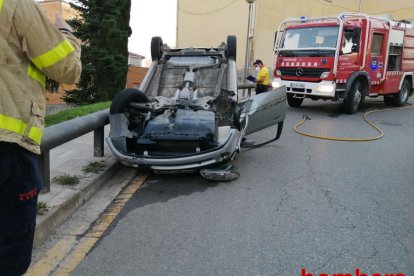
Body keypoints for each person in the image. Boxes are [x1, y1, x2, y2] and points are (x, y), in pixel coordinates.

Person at [0, 1, 81, 275]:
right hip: (8, 151)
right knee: (9, 255)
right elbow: (67, 70)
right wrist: (66, 33)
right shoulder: (14, 5)